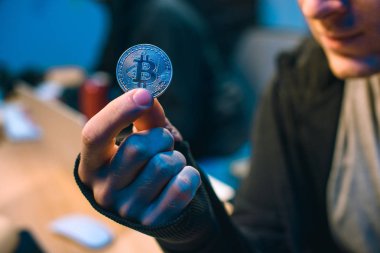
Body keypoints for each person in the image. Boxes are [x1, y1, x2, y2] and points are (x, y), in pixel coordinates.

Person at [74, 0, 380, 252]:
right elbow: (265, 240)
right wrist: (188, 225)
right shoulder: (302, 79)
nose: (316, 8)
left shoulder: (165, 17)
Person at [96, 0, 255, 159]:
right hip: (178, 138)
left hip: (214, 154)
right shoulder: (125, 13)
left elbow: (177, 118)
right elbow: (106, 75)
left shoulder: (164, 18)